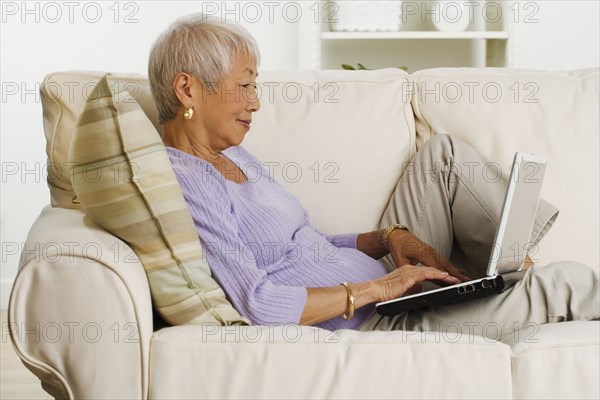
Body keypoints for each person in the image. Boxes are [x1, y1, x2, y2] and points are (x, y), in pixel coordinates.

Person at [148, 13, 599, 337]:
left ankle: (502, 270)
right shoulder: (185, 184)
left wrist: (387, 239)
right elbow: (259, 301)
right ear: (188, 88)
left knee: (441, 156)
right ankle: (508, 289)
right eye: (244, 85)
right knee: (566, 282)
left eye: (254, 85)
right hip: (378, 318)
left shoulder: (238, 157)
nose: (255, 101)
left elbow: (310, 241)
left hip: (386, 287)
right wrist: (379, 288)